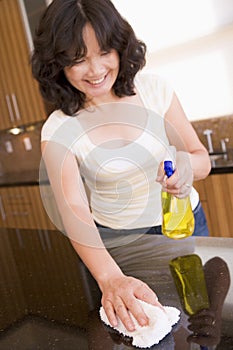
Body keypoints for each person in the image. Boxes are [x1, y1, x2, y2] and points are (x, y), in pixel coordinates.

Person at [31, 0, 211, 334]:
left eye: (104, 52)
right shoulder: (58, 127)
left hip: (186, 227)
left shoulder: (155, 89)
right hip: (119, 245)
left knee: (195, 326)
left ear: (120, 46)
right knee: (144, 330)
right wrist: (110, 277)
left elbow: (200, 159)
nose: (96, 69)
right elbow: (73, 209)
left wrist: (187, 163)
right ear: (57, 64)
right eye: (78, 59)